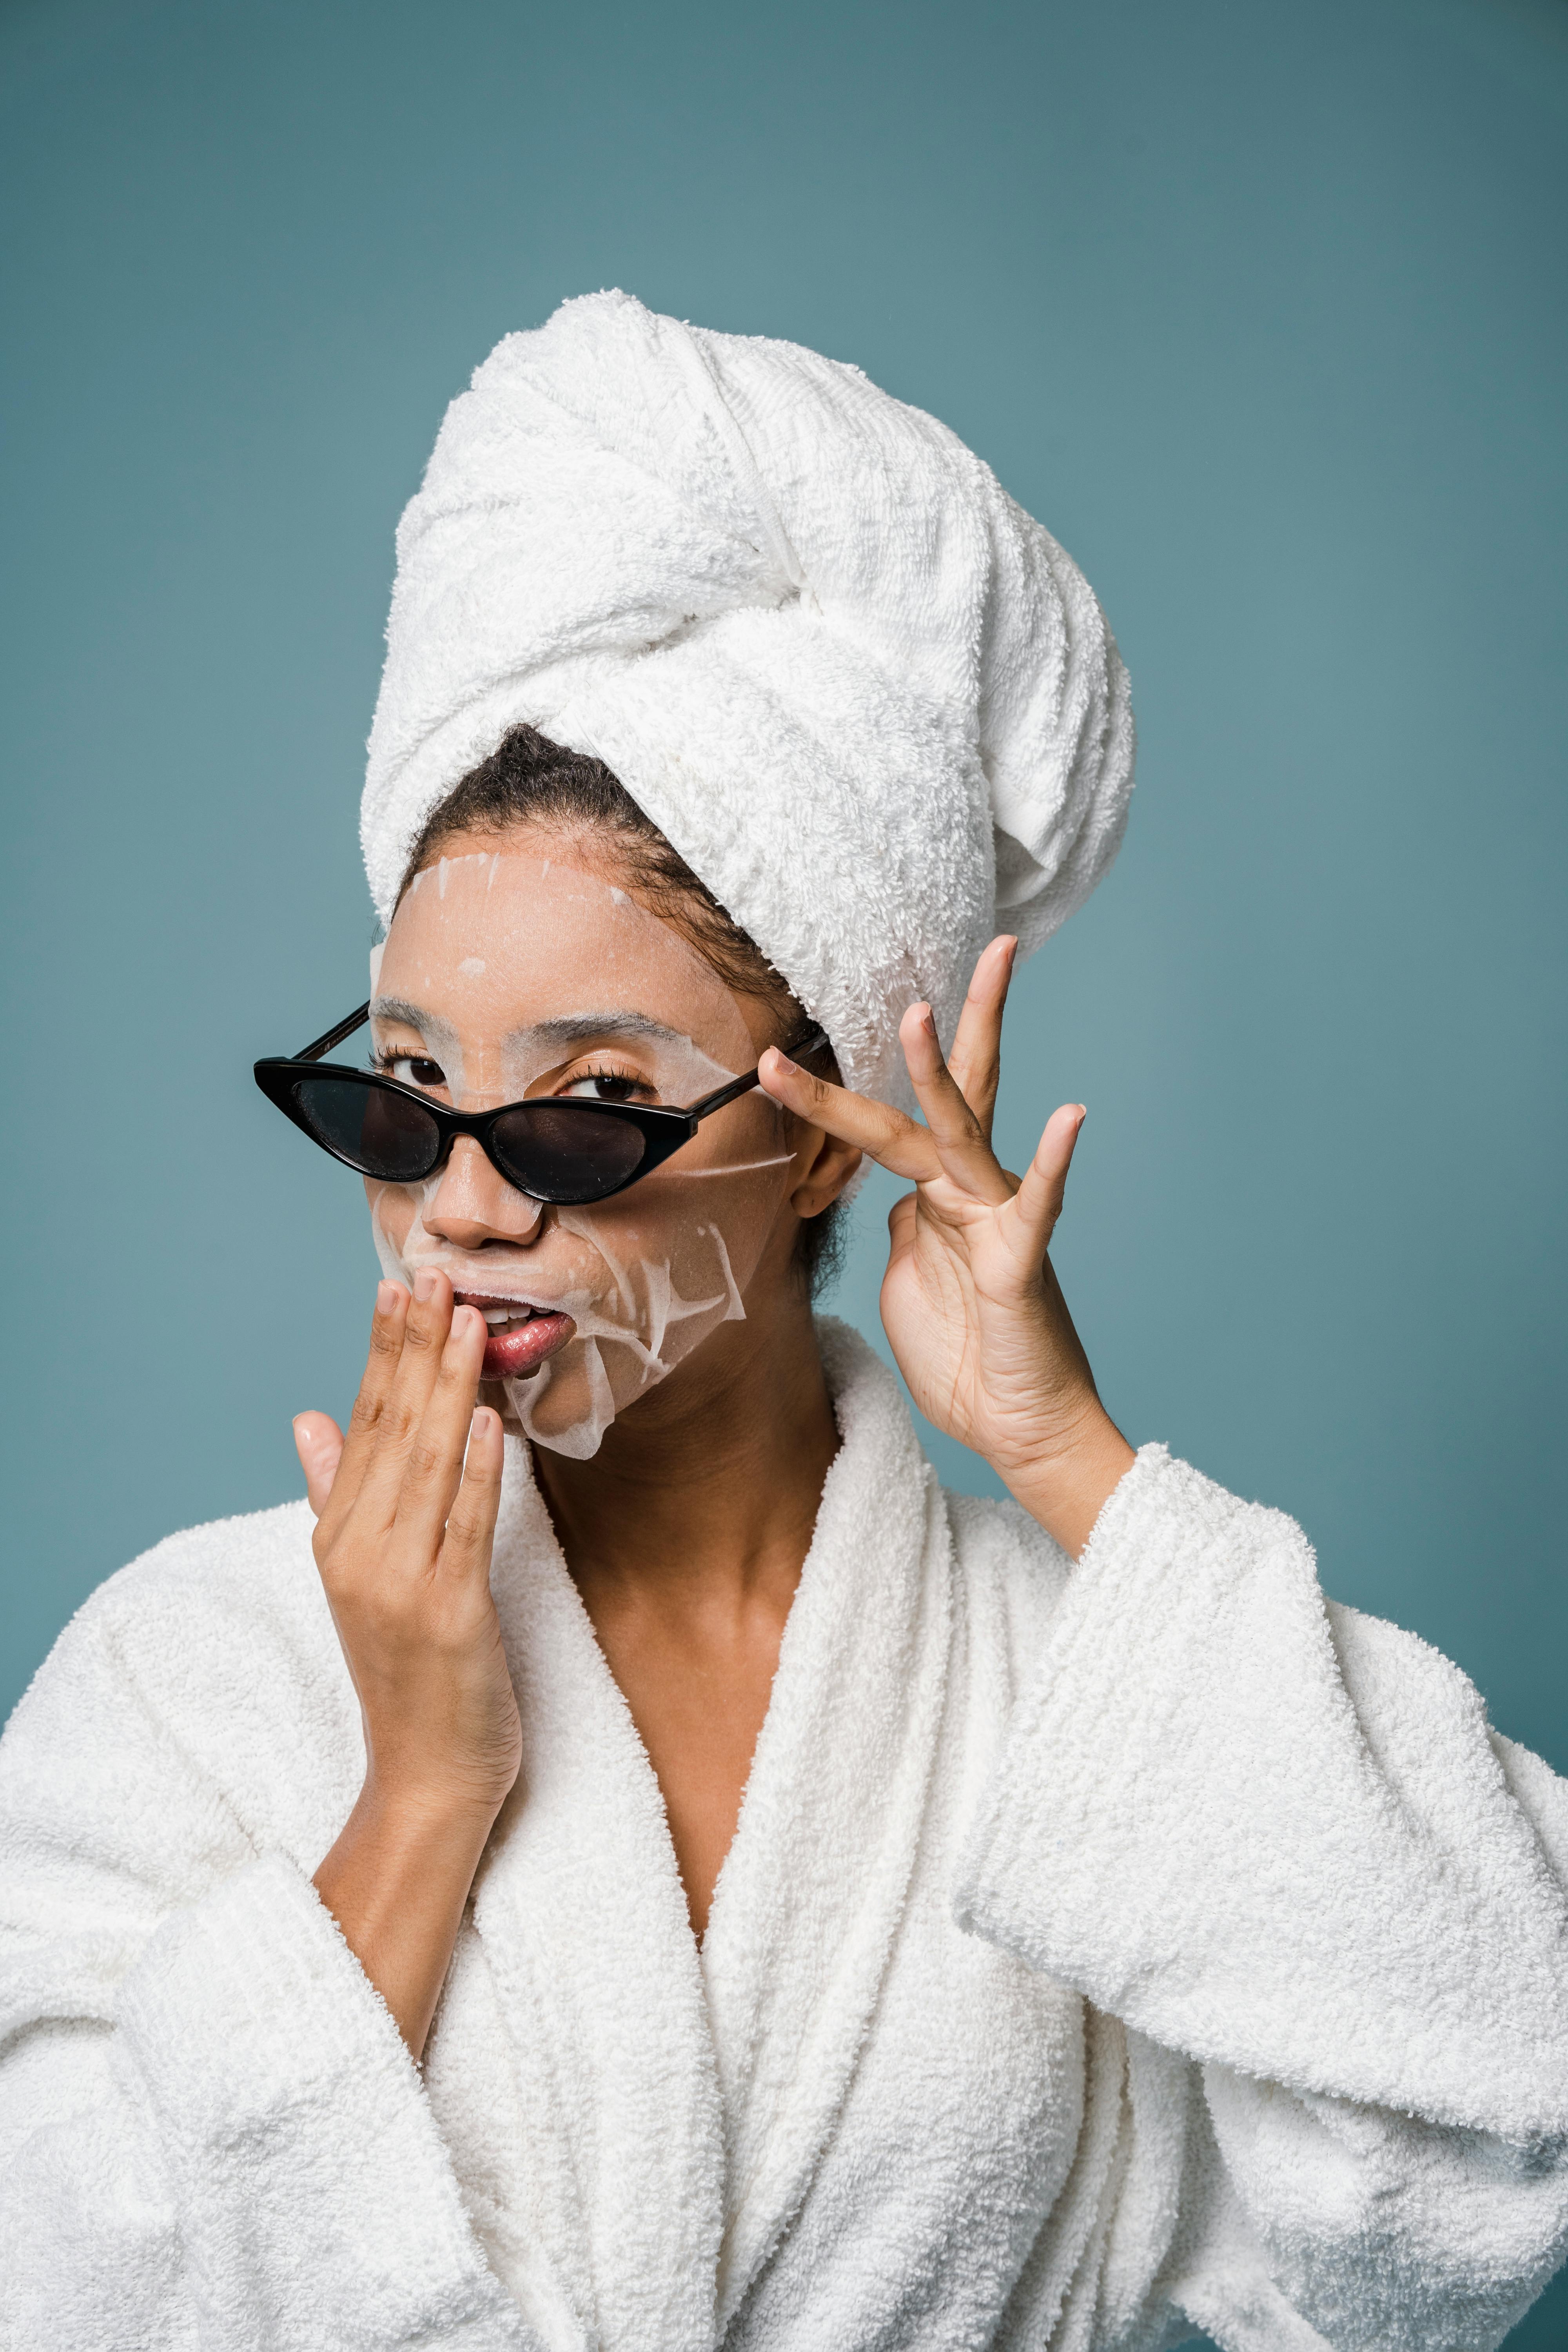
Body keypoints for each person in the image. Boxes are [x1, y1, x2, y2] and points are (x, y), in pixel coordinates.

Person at [1, 294, 1564, 2352]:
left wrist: (1070, 1464)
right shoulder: (201, 1675)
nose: (460, 1206)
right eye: (397, 1095)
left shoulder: (1055, 1700)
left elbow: (1498, 2121)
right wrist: (410, 1796)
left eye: (585, 1113)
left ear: (826, 1139)